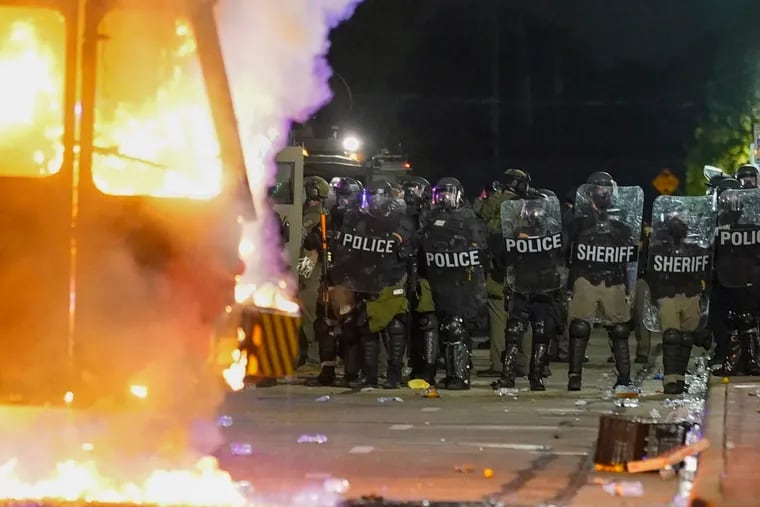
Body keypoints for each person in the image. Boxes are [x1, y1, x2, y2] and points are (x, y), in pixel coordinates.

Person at [329, 181, 416, 388]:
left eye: (379, 196)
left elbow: (405, 240)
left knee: (395, 326)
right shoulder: (361, 220)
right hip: (367, 279)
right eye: (372, 196)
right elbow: (349, 247)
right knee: (366, 326)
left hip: (392, 278)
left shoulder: (400, 218)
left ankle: (394, 375)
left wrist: (397, 244)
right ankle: (370, 375)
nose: (375, 201)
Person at [565, 171, 643, 391]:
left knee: (619, 330)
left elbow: (631, 247)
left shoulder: (622, 220)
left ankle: (624, 377)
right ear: (590, 192)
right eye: (600, 189)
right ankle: (574, 377)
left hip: (613, 278)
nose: (604, 193)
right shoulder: (578, 220)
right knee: (579, 327)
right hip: (585, 277)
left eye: (607, 189)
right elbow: (566, 243)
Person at [420, 177, 489, 390]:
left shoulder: (469, 218)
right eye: (440, 193)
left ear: (458, 194)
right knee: (442, 327)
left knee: (456, 327)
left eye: (448, 193)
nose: (444, 197)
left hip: (462, 280)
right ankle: (449, 373)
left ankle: (459, 376)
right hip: (438, 279)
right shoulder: (431, 218)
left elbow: (481, 249)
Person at [493, 196, 566, 390]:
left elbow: (561, 259)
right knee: (515, 333)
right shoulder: (516, 234)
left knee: (540, 334)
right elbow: (504, 258)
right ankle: (510, 376)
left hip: (542, 289)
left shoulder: (554, 235)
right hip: (523, 288)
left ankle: (536, 377)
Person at [305, 177, 364, 387]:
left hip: (349, 282)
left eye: (347, 196)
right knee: (324, 327)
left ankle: (351, 374)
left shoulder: (362, 222)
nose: (343, 201)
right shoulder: (327, 218)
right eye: (340, 196)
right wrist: (314, 239)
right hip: (328, 278)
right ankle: (326, 372)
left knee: (349, 328)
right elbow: (314, 241)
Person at [647, 208, 713, 393]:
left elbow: (707, 271)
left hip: (691, 295)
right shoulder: (658, 250)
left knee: (686, 337)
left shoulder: (696, 250)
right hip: (668, 295)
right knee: (671, 336)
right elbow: (651, 273)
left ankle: (680, 377)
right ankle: (669, 380)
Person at [477, 169, 532, 378]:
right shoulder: (529, 205)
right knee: (523, 315)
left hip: (497, 268)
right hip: (522, 268)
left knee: (498, 313)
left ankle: (499, 363)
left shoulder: (494, 201)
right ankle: (525, 362)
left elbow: (478, 218)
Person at [712, 186, 760, 376]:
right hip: (729, 278)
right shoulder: (716, 225)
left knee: (743, 319)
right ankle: (737, 361)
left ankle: (749, 361)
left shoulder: (751, 223)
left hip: (745, 278)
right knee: (734, 319)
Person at [400, 177, 438, 384]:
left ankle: (427, 368)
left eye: (414, 189)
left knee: (426, 320)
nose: (410, 193)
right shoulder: (401, 213)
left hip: (424, 273)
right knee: (406, 322)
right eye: (408, 188)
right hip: (403, 271)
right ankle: (413, 365)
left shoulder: (429, 214)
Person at [298, 176, 330, 366]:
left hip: (310, 268)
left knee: (309, 314)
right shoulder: (310, 212)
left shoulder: (316, 215)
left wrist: (303, 274)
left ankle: (314, 357)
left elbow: (300, 231)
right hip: (306, 266)